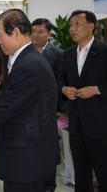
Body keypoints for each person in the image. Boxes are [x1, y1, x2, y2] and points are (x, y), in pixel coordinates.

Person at [0, 8, 58, 192]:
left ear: (14, 32)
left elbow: (6, 108)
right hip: (31, 153)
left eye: (0, 35)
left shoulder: (28, 64)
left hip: (28, 158)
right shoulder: (27, 58)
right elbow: (12, 95)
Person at [59, 10, 107, 192]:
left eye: (77, 24)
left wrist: (97, 89)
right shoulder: (67, 54)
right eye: (70, 25)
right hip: (76, 126)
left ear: (91, 26)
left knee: (106, 177)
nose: (72, 29)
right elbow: (60, 81)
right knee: (81, 176)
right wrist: (64, 89)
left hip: (102, 127)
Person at [31, 18, 64, 192]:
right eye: (33, 31)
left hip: (49, 110)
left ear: (49, 33)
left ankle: (48, 186)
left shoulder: (58, 54)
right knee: (30, 148)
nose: (35, 35)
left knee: (48, 150)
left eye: (40, 32)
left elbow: (60, 83)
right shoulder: (24, 52)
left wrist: (58, 108)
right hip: (28, 110)